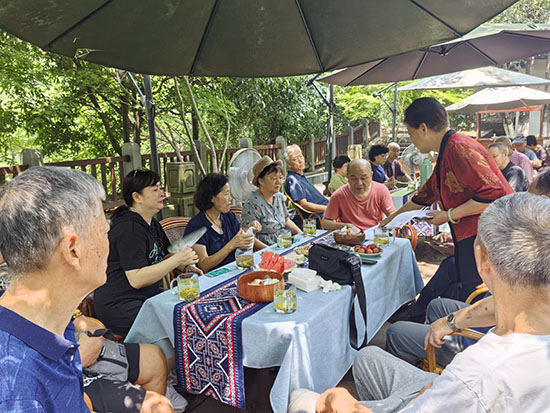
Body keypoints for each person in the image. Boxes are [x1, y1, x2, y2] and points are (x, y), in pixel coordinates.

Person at [290, 192, 550, 413]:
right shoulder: (527, 313)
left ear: (483, 259)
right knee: (367, 357)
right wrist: (450, 328)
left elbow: (462, 390)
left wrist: (345, 403)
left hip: (443, 397)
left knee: (301, 399)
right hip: (442, 392)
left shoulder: (477, 374)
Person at [0, 166, 171, 412]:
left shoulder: (49, 321)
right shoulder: (19, 392)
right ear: (73, 250)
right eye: (105, 231)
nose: (109, 241)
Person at [385, 171, 550, 368]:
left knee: (395, 332)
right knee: (437, 305)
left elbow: (508, 305)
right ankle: (425, 355)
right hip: (493, 321)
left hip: (481, 343)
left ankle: (425, 375)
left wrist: (451, 323)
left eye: (532, 196)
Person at [382, 98, 513, 301]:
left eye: (410, 133)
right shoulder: (447, 151)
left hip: (488, 237)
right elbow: (424, 196)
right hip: (471, 236)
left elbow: (495, 194)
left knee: (475, 296)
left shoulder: (459, 148)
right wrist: (389, 221)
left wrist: (449, 215)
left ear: (423, 128)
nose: (411, 140)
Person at [94, 169, 201, 337]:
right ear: (137, 197)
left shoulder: (152, 223)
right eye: (155, 190)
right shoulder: (129, 229)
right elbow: (136, 279)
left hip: (146, 299)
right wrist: (177, 260)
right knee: (183, 325)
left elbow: (165, 256)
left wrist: (185, 267)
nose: (162, 194)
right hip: (121, 305)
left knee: (192, 312)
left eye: (160, 188)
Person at [185, 173, 259, 273]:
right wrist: (231, 245)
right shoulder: (196, 226)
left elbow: (242, 243)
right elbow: (204, 265)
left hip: (235, 270)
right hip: (214, 277)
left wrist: (251, 230)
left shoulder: (228, 216)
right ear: (212, 198)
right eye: (226, 194)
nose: (230, 198)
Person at [241, 156, 302, 246]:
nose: (278, 182)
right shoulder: (253, 202)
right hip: (266, 248)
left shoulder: (279, 197)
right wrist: (267, 250)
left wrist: (301, 234)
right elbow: (246, 232)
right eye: (274, 178)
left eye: (280, 178)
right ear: (261, 181)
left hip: (285, 242)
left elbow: (286, 220)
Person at [322, 159, 395, 231]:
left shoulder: (381, 190)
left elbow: (391, 214)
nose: (359, 183)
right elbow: (326, 222)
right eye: (354, 179)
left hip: (374, 234)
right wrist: (344, 226)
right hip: (351, 235)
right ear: (347, 177)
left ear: (371, 175)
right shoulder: (339, 195)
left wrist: (390, 224)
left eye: (364, 178)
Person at [284, 144, 329, 219]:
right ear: (289, 164)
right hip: (319, 216)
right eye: (295, 159)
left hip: (325, 209)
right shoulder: (292, 180)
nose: (300, 161)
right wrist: (329, 209)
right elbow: (304, 204)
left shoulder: (301, 176)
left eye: (301, 156)